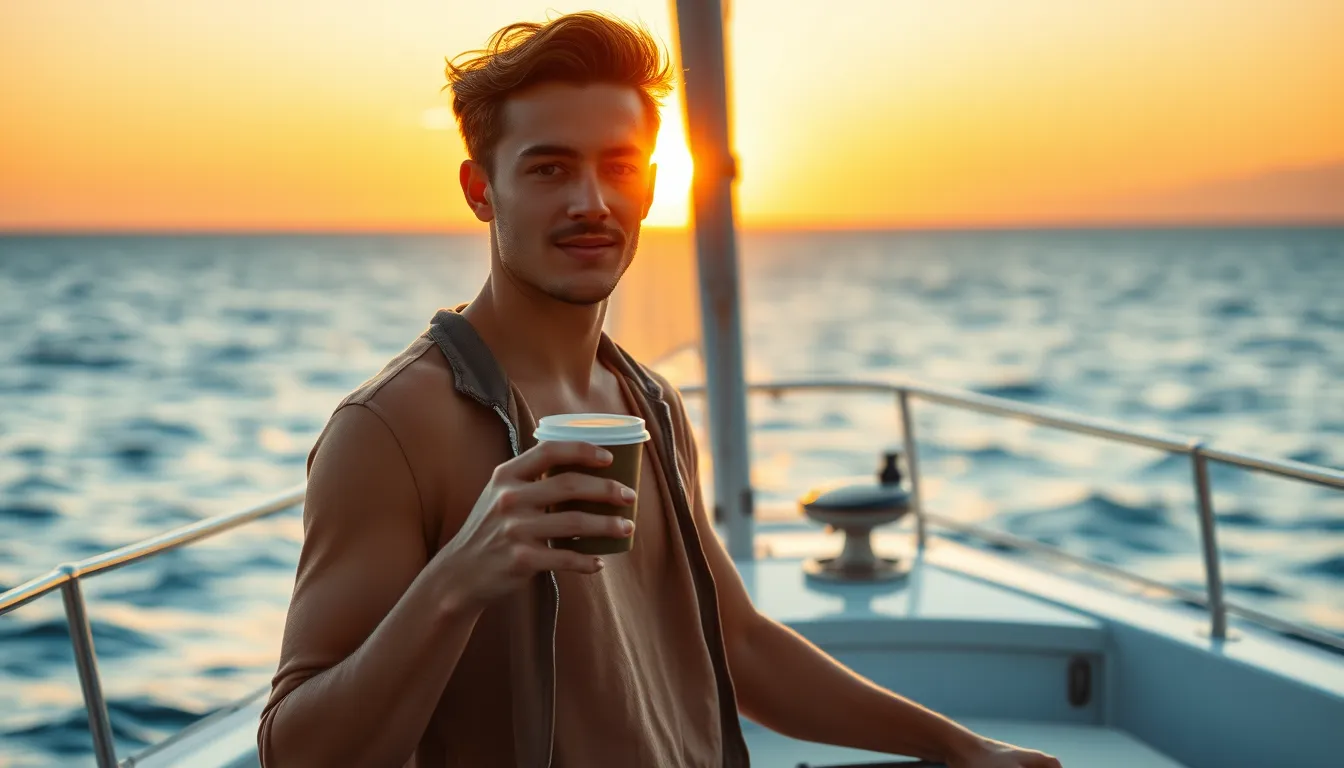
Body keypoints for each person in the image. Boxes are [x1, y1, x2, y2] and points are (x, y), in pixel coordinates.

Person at [257, 11, 1063, 768]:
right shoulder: (394, 428)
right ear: (479, 190)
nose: (591, 202)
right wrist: (457, 579)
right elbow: (293, 750)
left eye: (617, 167)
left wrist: (960, 748)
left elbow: (739, 644)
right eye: (548, 169)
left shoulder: (649, 402)